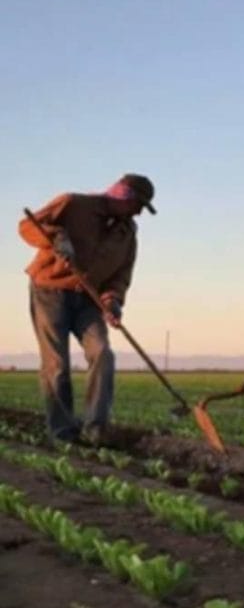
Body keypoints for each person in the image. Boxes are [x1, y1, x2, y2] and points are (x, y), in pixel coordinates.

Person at [18, 174, 156, 444]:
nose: (138, 212)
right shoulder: (73, 203)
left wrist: (113, 299)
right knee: (57, 364)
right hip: (50, 290)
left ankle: (96, 428)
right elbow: (27, 226)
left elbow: (121, 274)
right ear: (122, 195)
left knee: (103, 353)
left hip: (89, 300)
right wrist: (56, 237)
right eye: (137, 204)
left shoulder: (127, 234)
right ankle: (63, 432)